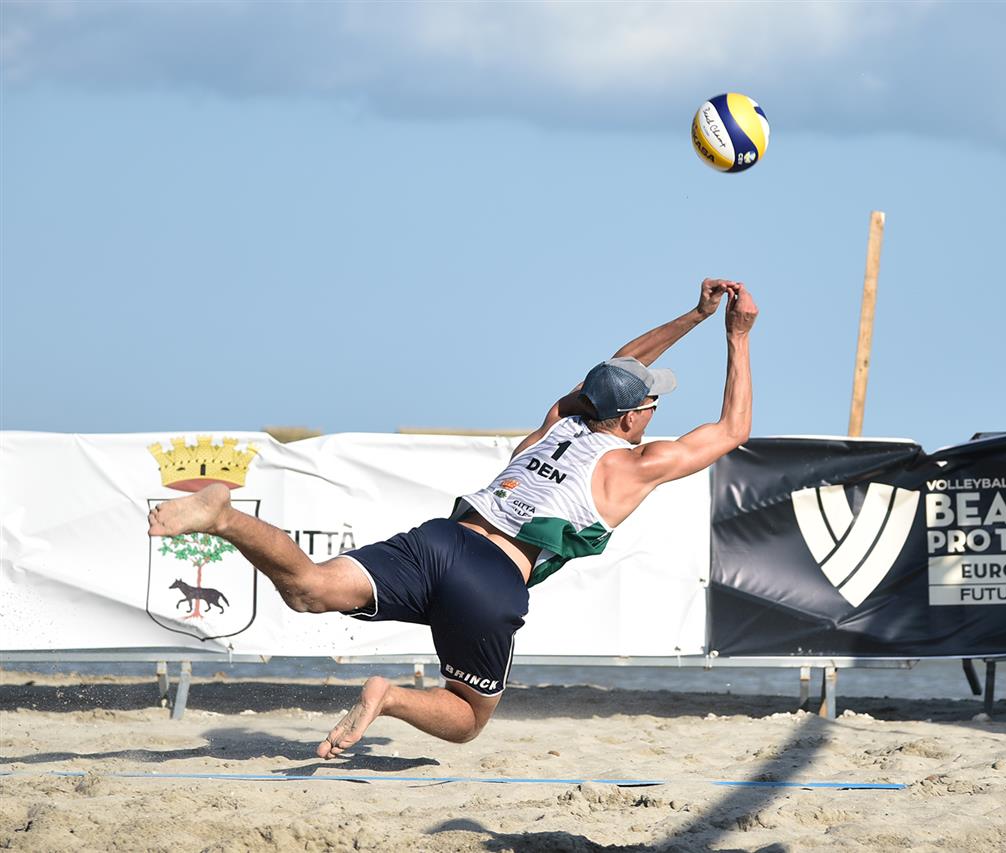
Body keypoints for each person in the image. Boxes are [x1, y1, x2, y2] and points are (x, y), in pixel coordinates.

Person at [147, 278, 758, 757]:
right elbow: (732, 429)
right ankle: (387, 698)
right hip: (491, 577)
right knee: (466, 718)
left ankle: (224, 517)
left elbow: (615, 368)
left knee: (309, 588)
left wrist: (695, 315)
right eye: (652, 404)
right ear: (629, 418)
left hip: (440, 541)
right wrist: (738, 335)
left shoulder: (557, 422)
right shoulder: (634, 464)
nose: (653, 412)